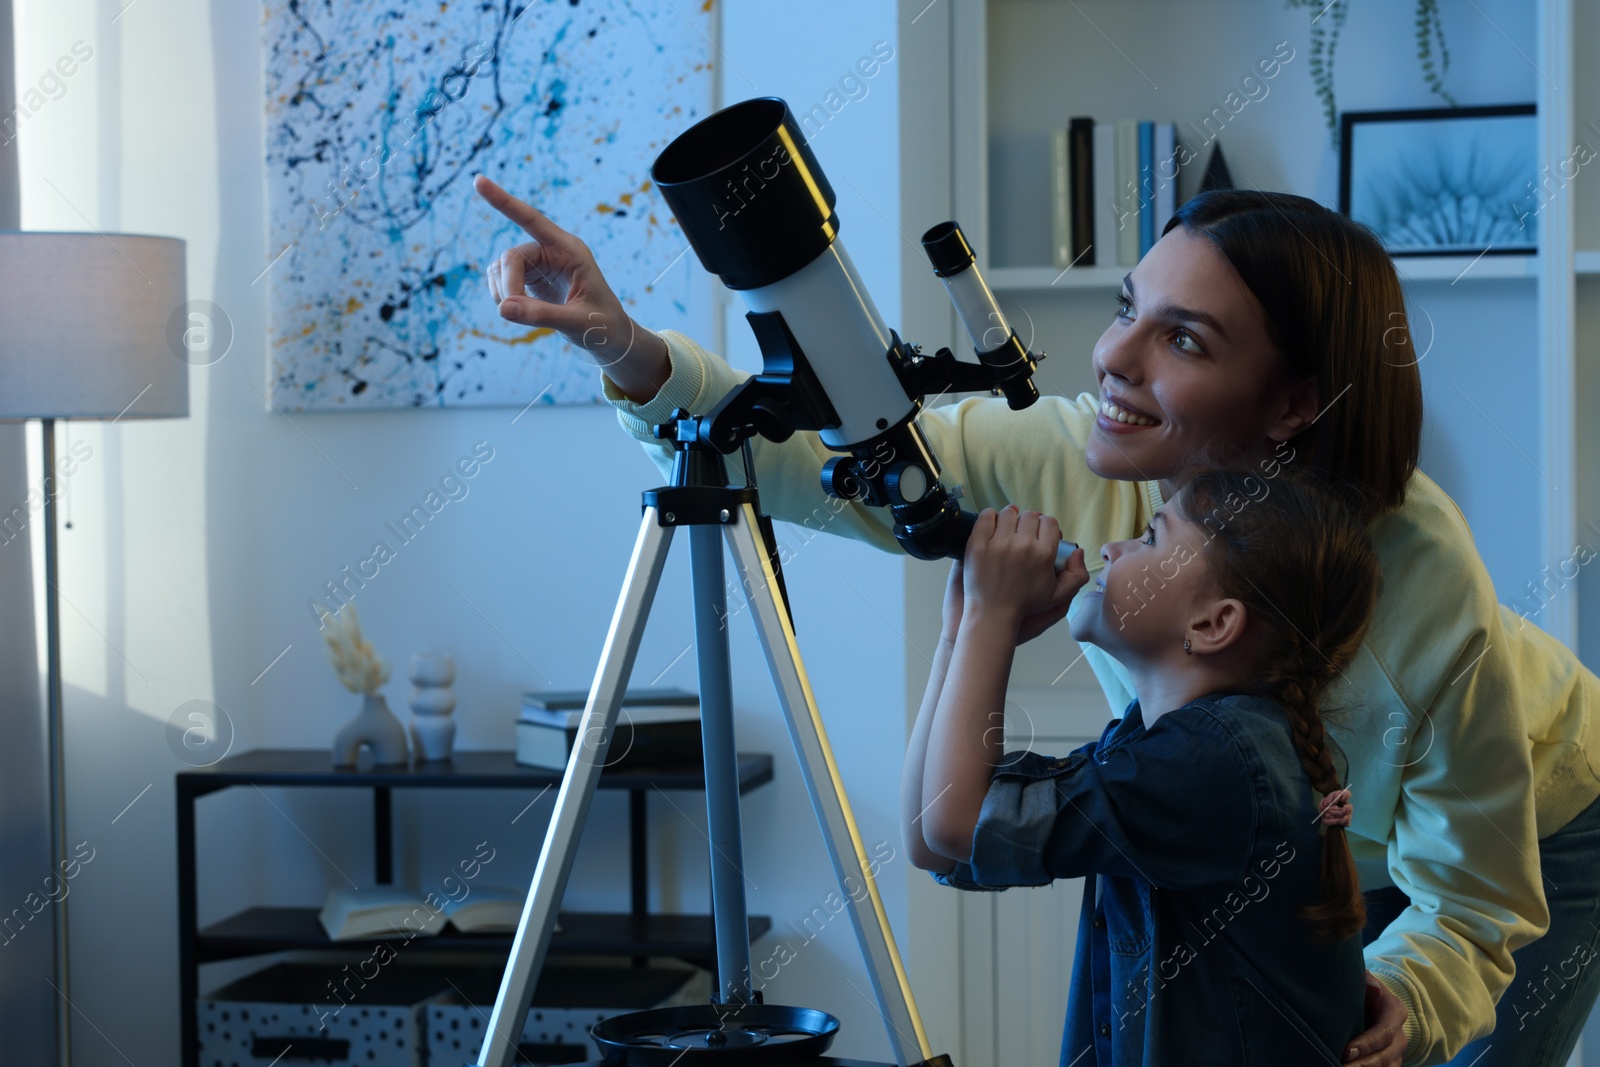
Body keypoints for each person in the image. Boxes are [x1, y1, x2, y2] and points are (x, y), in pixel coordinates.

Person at [475, 173, 1600, 1067]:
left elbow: (1476, 887)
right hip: (1291, 821)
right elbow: (816, 462)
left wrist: (1412, 990)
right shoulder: (1081, 457)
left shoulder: (1413, 565)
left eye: (1185, 340)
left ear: (1295, 403)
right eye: (1128, 310)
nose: (1112, 356)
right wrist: (624, 345)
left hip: (1538, 827)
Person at [902, 468, 1376, 1064]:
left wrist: (989, 620)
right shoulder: (1150, 741)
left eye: (1150, 538)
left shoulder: (1219, 759)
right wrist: (959, 631)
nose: (1110, 549)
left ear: (1212, 624)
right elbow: (935, 840)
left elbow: (956, 824)